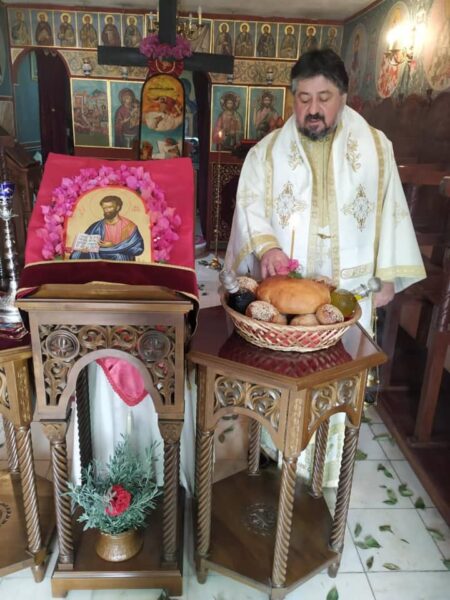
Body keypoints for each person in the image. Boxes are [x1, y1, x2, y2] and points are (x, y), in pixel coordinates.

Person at [225, 49, 425, 486]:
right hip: (287, 295)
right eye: (303, 98)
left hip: (350, 291)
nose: (312, 109)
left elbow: (391, 210)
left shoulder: (376, 147)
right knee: (284, 377)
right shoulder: (267, 153)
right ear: (292, 98)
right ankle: (276, 456)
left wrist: (387, 276)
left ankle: (325, 471)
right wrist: (267, 247)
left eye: (324, 98)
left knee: (336, 382)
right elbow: (250, 204)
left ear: (344, 97)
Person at [71, 195, 144, 260]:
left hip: (118, 254)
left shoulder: (129, 226)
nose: (106, 210)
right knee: (76, 255)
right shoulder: (96, 226)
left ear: (117, 207)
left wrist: (114, 246)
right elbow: (85, 244)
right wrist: (84, 249)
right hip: (99, 254)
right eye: (104, 208)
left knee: (118, 256)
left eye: (109, 207)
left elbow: (138, 249)